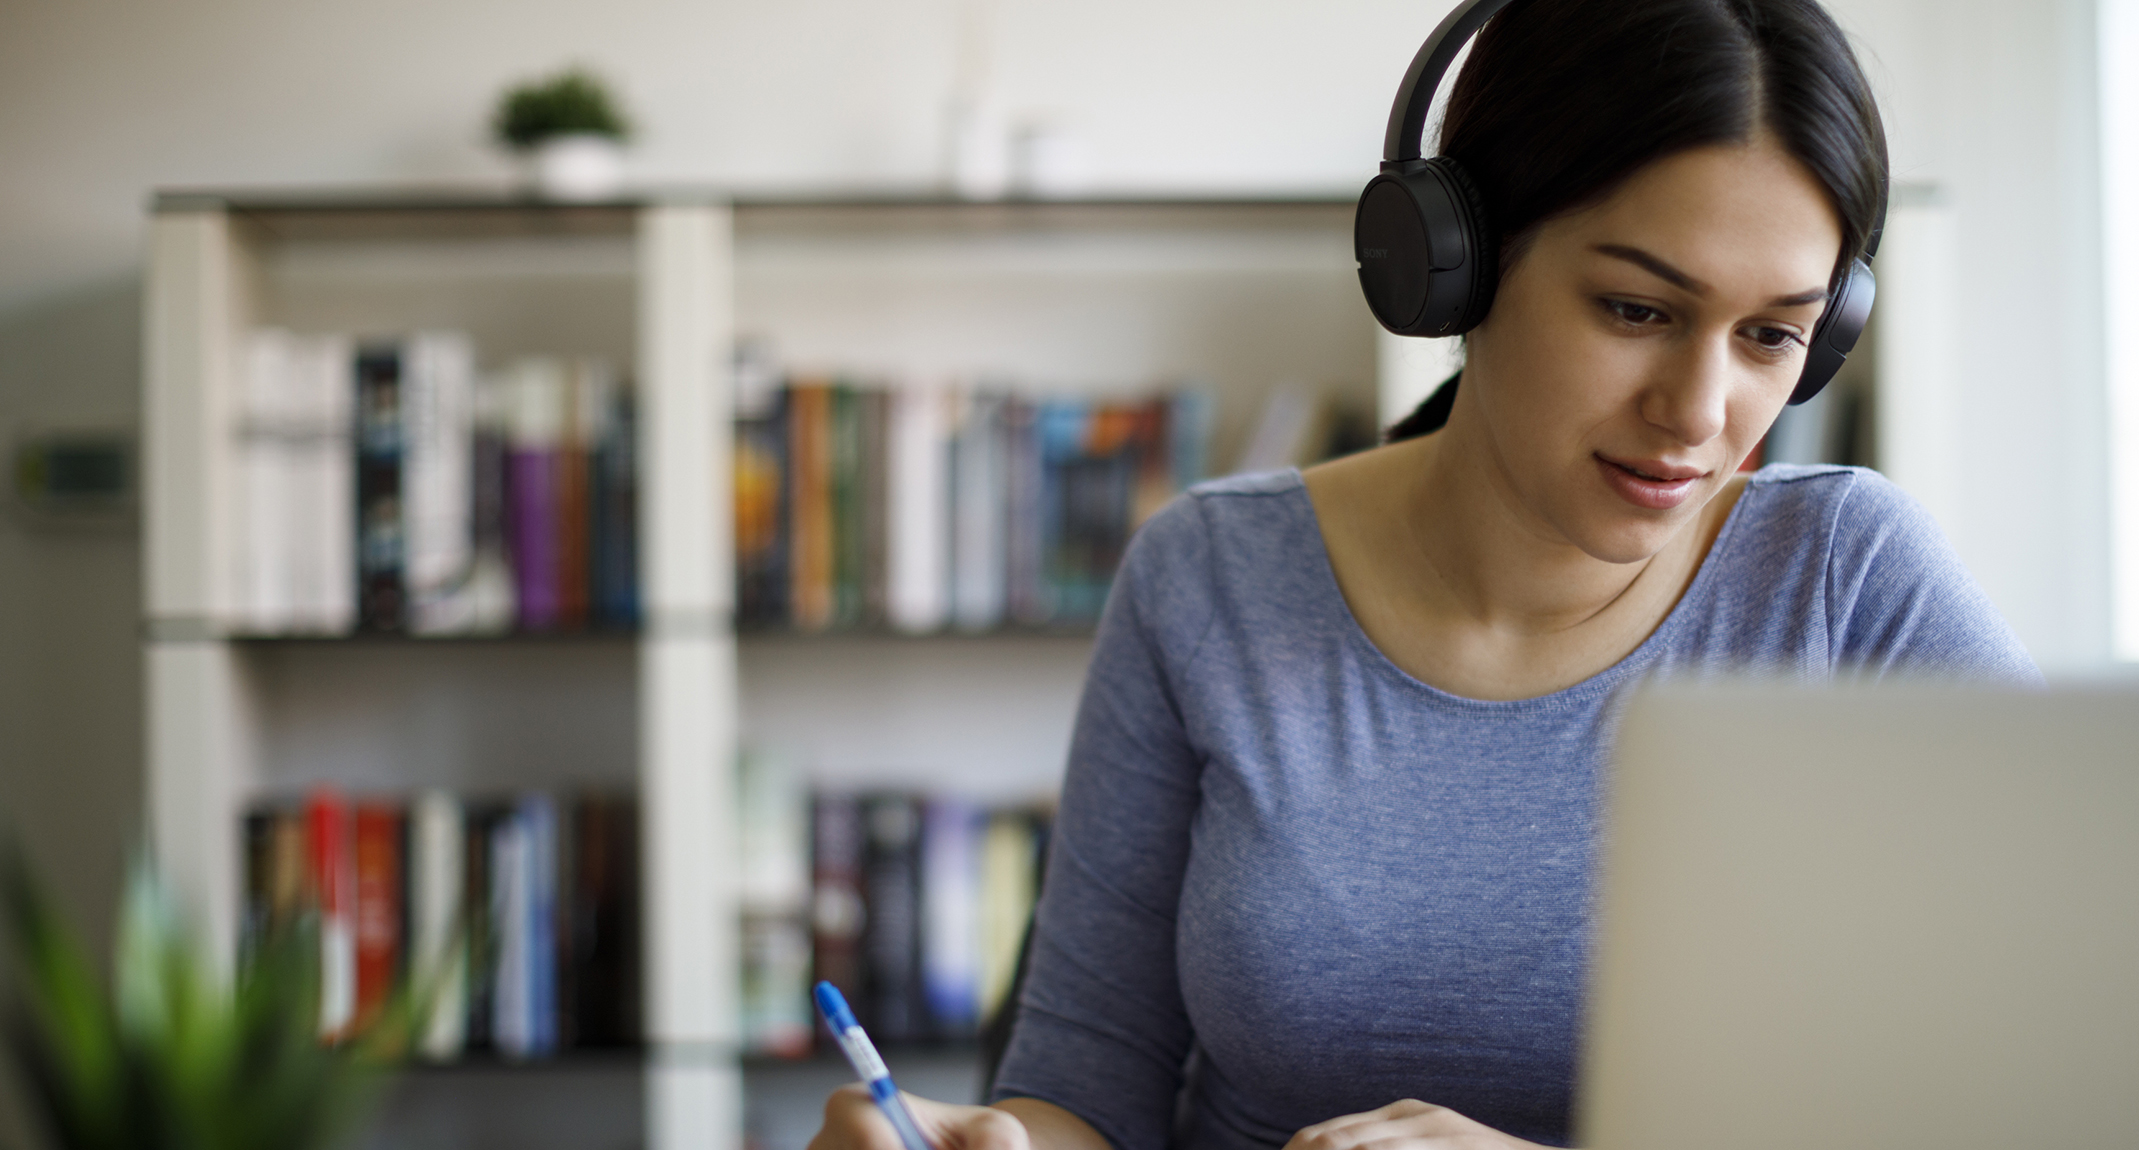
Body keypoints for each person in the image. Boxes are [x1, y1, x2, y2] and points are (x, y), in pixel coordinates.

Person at [812, 0, 2039, 1148]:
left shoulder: (1845, 582)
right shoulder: (1208, 576)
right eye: (1634, 309)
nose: (1701, 414)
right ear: (1454, 259)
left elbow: (2067, 1069)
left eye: (1773, 334)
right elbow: (1087, 1089)